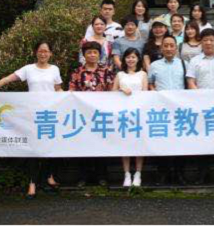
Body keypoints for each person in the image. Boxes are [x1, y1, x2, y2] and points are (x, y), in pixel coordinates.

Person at [0, 41, 63, 199]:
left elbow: (58, 89)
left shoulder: (55, 69)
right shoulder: (28, 69)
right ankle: (32, 184)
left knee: (50, 147)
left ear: (50, 53)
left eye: (46, 51)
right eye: (40, 51)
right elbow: (7, 79)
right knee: (33, 149)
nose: (43, 54)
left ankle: (48, 176)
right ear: (36, 52)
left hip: (50, 114)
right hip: (32, 114)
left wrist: (72, 97)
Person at [186, 28, 214, 184]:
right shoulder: (195, 61)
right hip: (201, 107)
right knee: (202, 141)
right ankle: (202, 174)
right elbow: (190, 81)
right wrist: (201, 98)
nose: (208, 43)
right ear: (201, 42)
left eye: (211, 40)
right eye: (205, 40)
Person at [69, 41, 116, 187]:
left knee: (101, 145)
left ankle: (102, 176)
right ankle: (83, 176)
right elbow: (71, 91)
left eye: (95, 52)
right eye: (89, 52)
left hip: (101, 115)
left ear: (99, 55)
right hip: (82, 115)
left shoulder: (106, 71)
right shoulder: (77, 72)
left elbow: (112, 90)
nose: (92, 55)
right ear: (84, 55)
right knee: (83, 145)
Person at [148, 35, 188, 185]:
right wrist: (156, 94)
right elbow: (150, 83)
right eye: (166, 45)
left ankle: (179, 173)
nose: (169, 48)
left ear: (176, 48)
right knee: (162, 141)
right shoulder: (154, 65)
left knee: (180, 142)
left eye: (172, 45)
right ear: (161, 48)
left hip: (179, 109)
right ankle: (163, 173)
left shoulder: (184, 64)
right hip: (161, 110)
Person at [113, 48, 148, 188]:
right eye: (128, 57)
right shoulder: (120, 74)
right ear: (124, 59)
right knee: (125, 144)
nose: (131, 60)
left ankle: (138, 174)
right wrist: (121, 90)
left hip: (138, 113)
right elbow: (112, 92)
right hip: (123, 114)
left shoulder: (143, 74)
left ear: (138, 59)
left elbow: (146, 93)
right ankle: (127, 174)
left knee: (139, 144)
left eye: (133, 57)